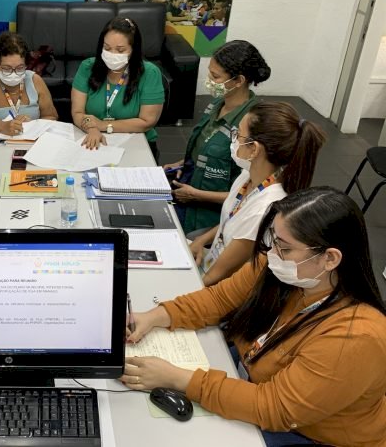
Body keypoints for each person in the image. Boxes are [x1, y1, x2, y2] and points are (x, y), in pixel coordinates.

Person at [122, 187, 386, 446]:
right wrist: (156, 315)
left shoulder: (356, 337)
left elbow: (276, 409)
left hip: (309, 433)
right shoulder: (281, 267)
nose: (271, 254)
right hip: (253, 376)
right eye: (272, 239)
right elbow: (217, 300)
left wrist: (177, 378)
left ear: (330, 258)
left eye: (284, 248)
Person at [193, 102, 326, 287]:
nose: (234, 140)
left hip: (219, 288)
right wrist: (201, 240)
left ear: (254, 149)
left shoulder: (265, 209)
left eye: (238, 134)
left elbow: (217, 276)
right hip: (209, 261)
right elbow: (233, 219)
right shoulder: (248, 176)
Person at [164, 40, 271, 237]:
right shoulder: (216, 105)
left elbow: (252, 193)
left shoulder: (254, 124)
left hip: (211, 216)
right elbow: (205, 146)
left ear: (239, 80)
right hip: (187, 192)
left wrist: (196, 195)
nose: (209, 81)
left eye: (215, 76)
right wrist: (183, 164)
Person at [71, 16, 164, 158]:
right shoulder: (87, 67)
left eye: (120, 50)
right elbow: (77, 112)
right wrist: (91, 128)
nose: (112, 54)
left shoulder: (150, 73)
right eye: (107, 48)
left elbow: (147, 121)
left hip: (137, 143)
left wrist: (103, 126)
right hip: (94, 141)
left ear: (134, 49)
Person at [0, 32, 58, 136]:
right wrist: (2, 126)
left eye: (20, 68)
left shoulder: (35, 80)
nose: (14, 73)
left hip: (30, 143)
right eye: (7, 69)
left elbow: (51, 116)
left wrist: (33, 125)